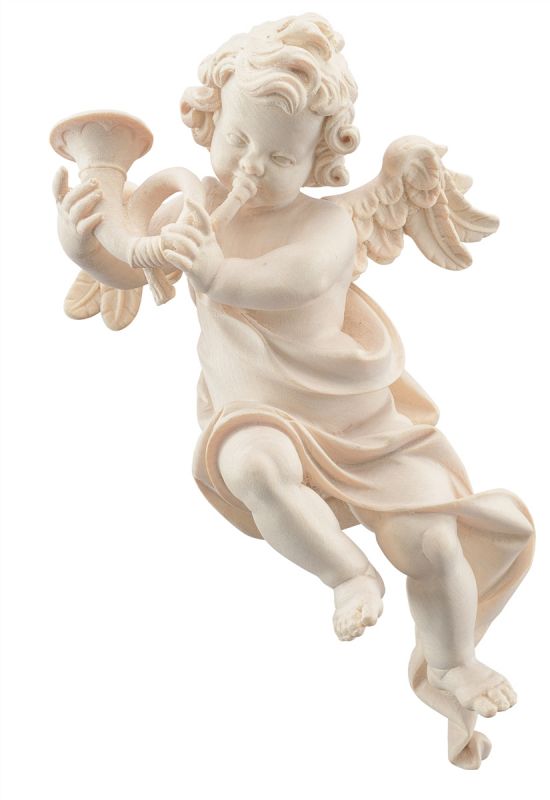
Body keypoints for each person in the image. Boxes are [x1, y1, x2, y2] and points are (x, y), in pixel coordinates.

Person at [53, 13, 534, 769]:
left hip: (359, 420)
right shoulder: (186, 209)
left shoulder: (327, 223)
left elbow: (294, 280)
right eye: (238, 139)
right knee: (251, 466)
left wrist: (217, 271)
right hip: (256, 409)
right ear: (208, 122)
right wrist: (85, 245)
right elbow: (130, 263)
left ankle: (451, 662)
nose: (253, 164)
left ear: (319, 160)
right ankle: (346, 573)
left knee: (435, 543)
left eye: (281, 155)